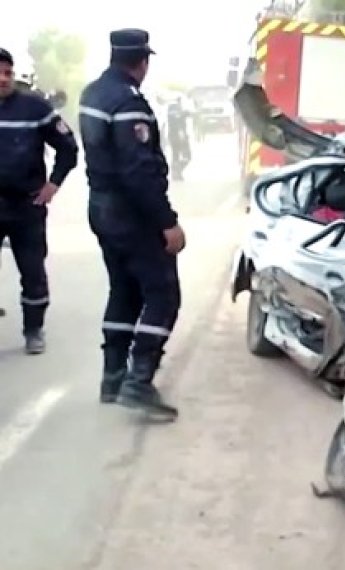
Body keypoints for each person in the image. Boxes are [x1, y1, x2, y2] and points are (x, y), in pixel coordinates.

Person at [78, 29, 185, 421]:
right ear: (143, 62)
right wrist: (167, 222)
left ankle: (112, 377)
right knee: (163, 295)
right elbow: (138, 171)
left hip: (102, 210)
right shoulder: (129, 102)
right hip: (131, 215)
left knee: (123, 290)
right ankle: (139, 382)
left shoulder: (93, 93)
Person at [0, 47, 78, 354]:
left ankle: (34, 330)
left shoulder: (34, 107)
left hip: (26, 207)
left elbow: (69, 148)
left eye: (7, 73)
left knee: (32, 272)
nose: (2, 79)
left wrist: (53, 184)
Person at [166, 96, 191, 181]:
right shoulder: (174, 108)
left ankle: (176, 172)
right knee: (186, 156)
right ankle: (176, 171)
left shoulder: (174, 109)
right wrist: (181, 133)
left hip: (174, 135)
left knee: (176, 155)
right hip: (178, 135)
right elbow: (176, 120)